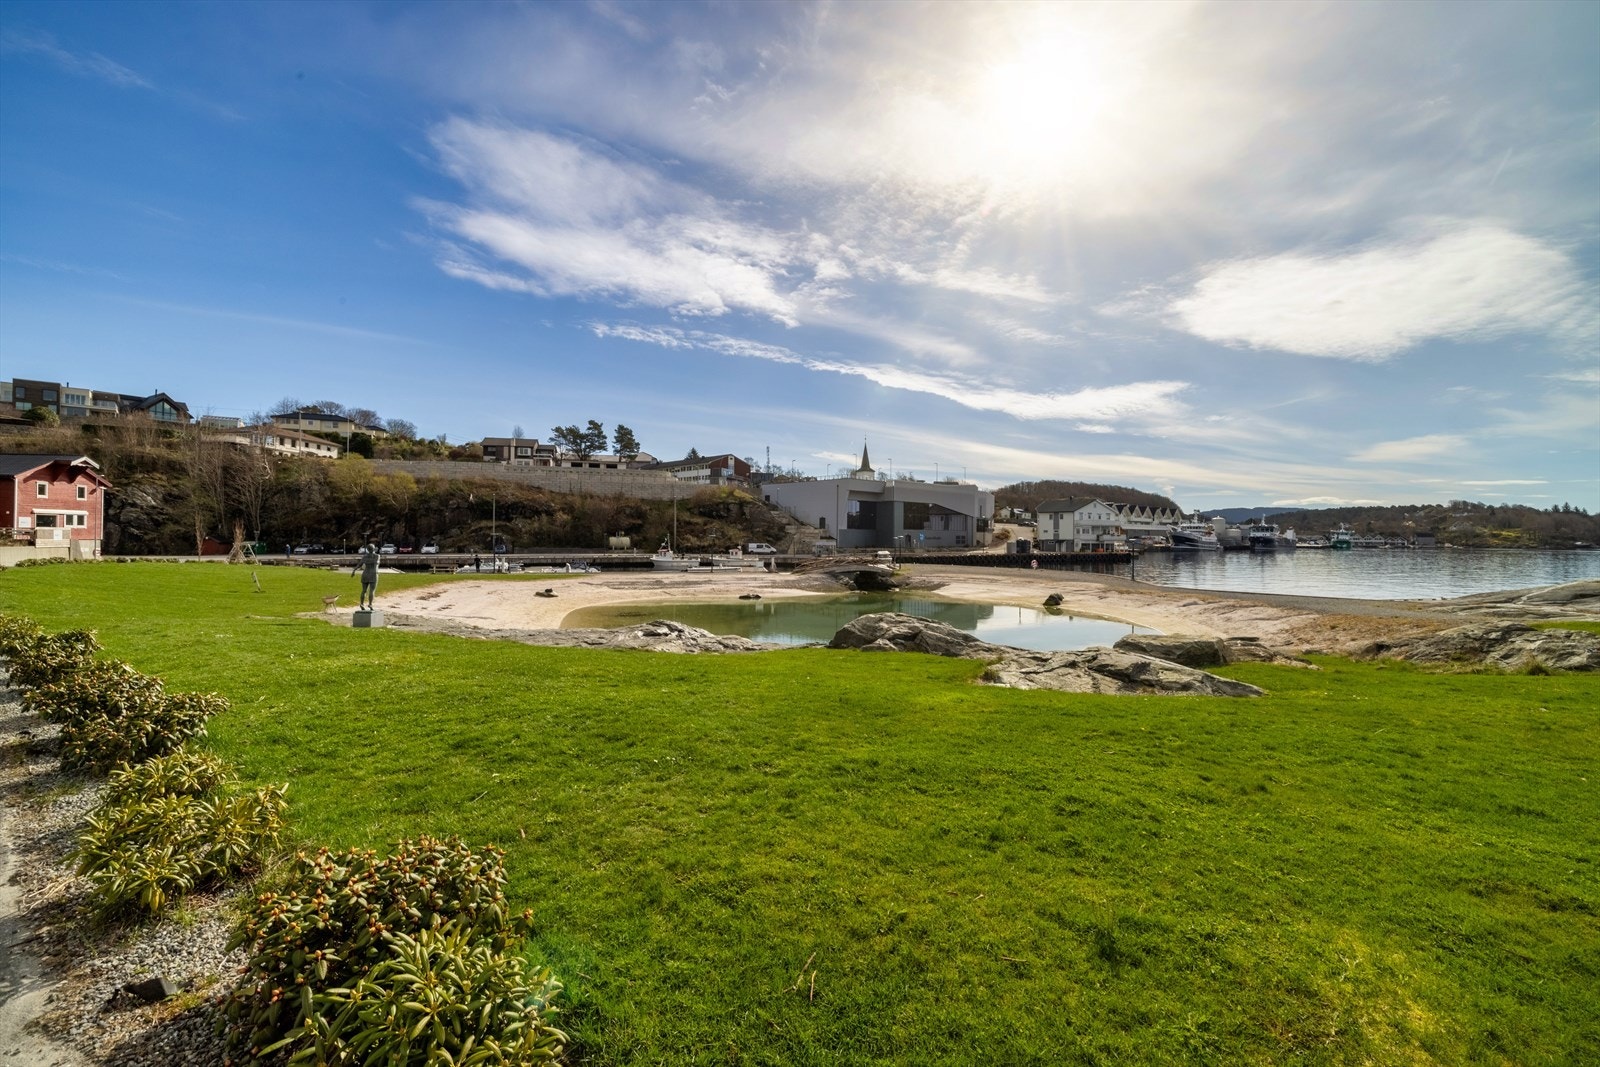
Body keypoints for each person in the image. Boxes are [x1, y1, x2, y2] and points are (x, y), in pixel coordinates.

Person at [353, 541, 381, 609]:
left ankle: (362, 604)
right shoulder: (377, 556)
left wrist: (354, 570)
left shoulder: (365, 556)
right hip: (373, 574)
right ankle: (370, 604)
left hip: (365, 574)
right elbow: (376, 563)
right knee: (372, 590)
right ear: (374, 549)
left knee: (364, 590)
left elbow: (359, 564)